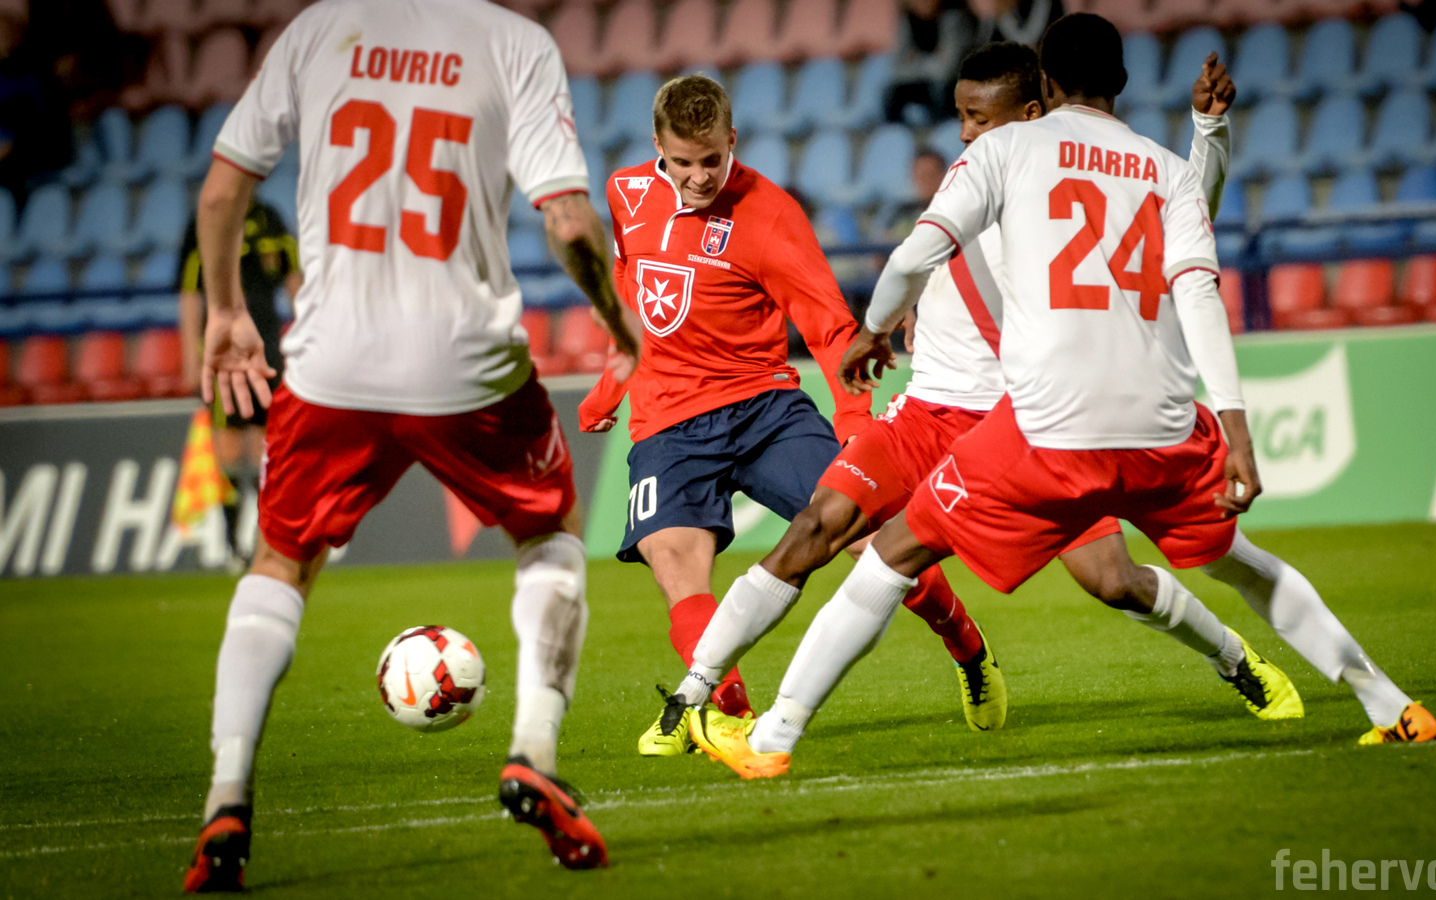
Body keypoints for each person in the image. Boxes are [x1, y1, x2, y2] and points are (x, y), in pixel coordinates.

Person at [688, 14, 1436, 780]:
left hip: (1048, 427)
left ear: (1044, 86)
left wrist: (874, 328)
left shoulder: (1007, 149)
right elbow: (1198, 290)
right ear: (1123, 81)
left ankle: (774, 737)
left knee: (891, 556)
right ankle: (1392, 706)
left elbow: (916, 254)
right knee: (1242, 564)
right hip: (1164, 424)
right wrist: (1235, 427)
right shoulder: (1165, 170)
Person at [181, 0, 642, 888]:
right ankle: (534, 754)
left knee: (281, 563)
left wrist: (229, 311)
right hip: (464, 362)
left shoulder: (317, 29)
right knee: (548, 534)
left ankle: (225, 797)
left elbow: (220, 189)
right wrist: (620, 326)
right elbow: (572, 222)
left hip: (331, 364)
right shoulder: (514, 42)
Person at [575, 74, 998, 756]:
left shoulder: (769, 214)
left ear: (732, 140)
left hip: (763, 408)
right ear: (657, 147)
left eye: (712, 160)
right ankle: (725, 713)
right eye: (683, 162)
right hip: (667, 418)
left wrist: (854, 422)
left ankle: (967, 647)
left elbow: (831, 329)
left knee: (872, 540)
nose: (699, 177)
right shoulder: (625, 193)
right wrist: (612, 382)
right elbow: (632, 290)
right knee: (675, 563)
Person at [177, 200, 301, 572]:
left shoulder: (270, 218)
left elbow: (295, 281)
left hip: (268, 348)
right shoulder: (206, 219)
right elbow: (190, 293)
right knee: (229, 447)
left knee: (268, 448)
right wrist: (191, 358)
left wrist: (306, 338)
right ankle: (233, 544)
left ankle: (267, 539)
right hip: (225, 352)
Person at [884, 0, 974, 125]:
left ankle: (942, 129)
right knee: (891, 92)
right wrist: (932, 58)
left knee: (939, 89)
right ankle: (896, 132)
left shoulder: (954, 18)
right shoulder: (907, 21)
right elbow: (896, 69)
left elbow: (947, 70)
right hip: (922, 80)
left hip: (955, 85)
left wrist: (916, 60)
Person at [872, 147, 948, 242]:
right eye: (920, 175)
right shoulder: (899, 213)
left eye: (930, 175)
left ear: (944, 176)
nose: (925, 181)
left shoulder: (954, 212)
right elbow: (881, 243)